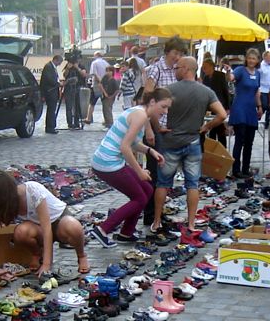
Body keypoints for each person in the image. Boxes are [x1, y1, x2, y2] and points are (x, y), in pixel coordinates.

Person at [151, 57, 227, 233]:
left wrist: (158, 127)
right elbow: (222, 115)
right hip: (193, 141)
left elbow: (152, 110)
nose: (175, 70)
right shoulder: (206, 91)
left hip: (170, 141)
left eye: (177, 67)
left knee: (163, 183)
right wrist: (207, 126)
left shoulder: (169, 90)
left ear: (185, 69)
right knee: (192, 184)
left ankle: (156, 221)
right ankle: (191, 223)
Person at [89, 88, 172, 248]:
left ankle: (126, 233)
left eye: (168, 108)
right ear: (152, 102)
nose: (165, 111)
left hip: (110, 161)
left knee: (147, 190)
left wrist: (150, 150)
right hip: (107, 163)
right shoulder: (140, 115)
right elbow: (125, 147)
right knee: (139, 197)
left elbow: (133, 143)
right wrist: (139, 171)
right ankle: (103, 229)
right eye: (163, 106)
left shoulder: (142, 114)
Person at [142, 36, 187, 226]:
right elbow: (146, 100)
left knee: (164, 173)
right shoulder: (156, 69)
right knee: (155, 172)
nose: (178, 57)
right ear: (167, 52)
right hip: (156, 126)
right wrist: (151, 128)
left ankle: (158, 212)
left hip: (168, 127)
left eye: (180, 54)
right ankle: (150, 214)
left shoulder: (176, 72)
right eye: (175, 53)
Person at [227, 48, 262, 178]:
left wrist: (259, 106)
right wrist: (228, 71)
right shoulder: (240, 70)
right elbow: (231, 78)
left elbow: (256, 91)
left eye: (254, 58)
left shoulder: (258, 74)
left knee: (249, 142)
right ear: (246, 59)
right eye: (250, 58)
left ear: (258, 60)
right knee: (239, 140)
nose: (252, 60)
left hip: (251, 110)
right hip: (240, 109)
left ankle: (245, 169)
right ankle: (236, 170)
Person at [201, 58, 230, 147]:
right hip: (210, 108)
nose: (203, 69)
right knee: (212, 131)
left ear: (211, 67)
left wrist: (228, 107)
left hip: (220, 106)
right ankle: (212, 151)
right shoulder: (205, 78)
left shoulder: (220, 75)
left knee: (221, 131)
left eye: (205, 67)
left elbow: (226, 91)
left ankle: (223, 151)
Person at [84, 51, 110, 124]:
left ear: (96, 55)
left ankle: (88, 118)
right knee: (105, 103)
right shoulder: (106, 63)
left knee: (92, 102)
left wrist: (99, 81)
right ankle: (106, 119)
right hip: (105, 85)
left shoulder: (94, 63)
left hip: (96, 85)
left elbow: (94, 73)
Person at [40, 55, 63, 134]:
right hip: (50, 92)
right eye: (60, 62)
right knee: (51, 110)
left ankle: (51, 126)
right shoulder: (48, 67)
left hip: (52, 91)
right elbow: (49, 79)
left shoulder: (51, 67)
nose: (60, 64)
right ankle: (50, 127)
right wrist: (58, 83)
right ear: (56, 60)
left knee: (52, 110)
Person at [63, 59, 87, 129]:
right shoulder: (68, 66)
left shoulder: (81, 66)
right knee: (69, 107)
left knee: (77, 107)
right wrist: (67, 68)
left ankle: (77, 123)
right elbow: (65, 75)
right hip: (69, 88)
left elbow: (84, 75)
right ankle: (70, 123)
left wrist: (77, 68)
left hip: (78, 88)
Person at [259, 50, 270, 128]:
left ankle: (267, 124)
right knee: (264, 106)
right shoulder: (260, 66)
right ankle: (258, 118)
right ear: (265, 57)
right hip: (263, 89)